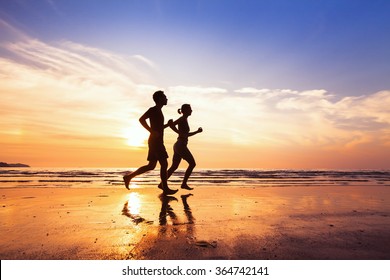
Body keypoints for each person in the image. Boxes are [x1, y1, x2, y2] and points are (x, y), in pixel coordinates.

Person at [123, 90, 177, 195]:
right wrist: (151, 131)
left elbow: (159, 128)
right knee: (164, 163)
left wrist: (168, 125)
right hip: (155, 141)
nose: (166, 99)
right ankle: (165, 188)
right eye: (164, 97)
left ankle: (128, 177)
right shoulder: (153, 109)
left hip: (156, 141)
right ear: (159, 99)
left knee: (151, 165)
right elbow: (141, 119)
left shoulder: (159, 111)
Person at [164, 104, 202, 190]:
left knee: (174, 166)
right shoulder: (182, 118)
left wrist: (196, 132)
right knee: (192, 163)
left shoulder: (185, 119)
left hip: (179, 144)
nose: (191, 111)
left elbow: (186, 134)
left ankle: (162, 183)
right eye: (190, 109)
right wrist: (178, 132)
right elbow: (171, 124)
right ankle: (184, 184)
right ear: (186, 110)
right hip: (180, 145)